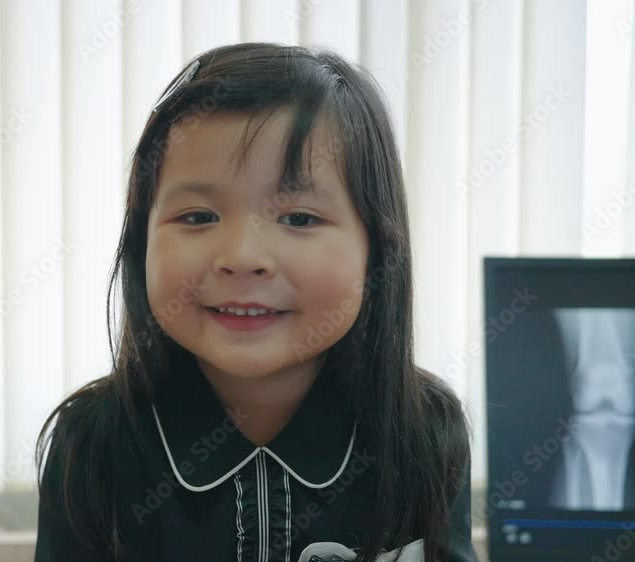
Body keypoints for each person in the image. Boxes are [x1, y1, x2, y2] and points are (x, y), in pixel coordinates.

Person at [33, 42, 478, 562]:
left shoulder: (423, 432)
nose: (243, 258)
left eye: (299, 218)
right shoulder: (92, 445)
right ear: (141, 241)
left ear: (376, 247)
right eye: (198, 217)